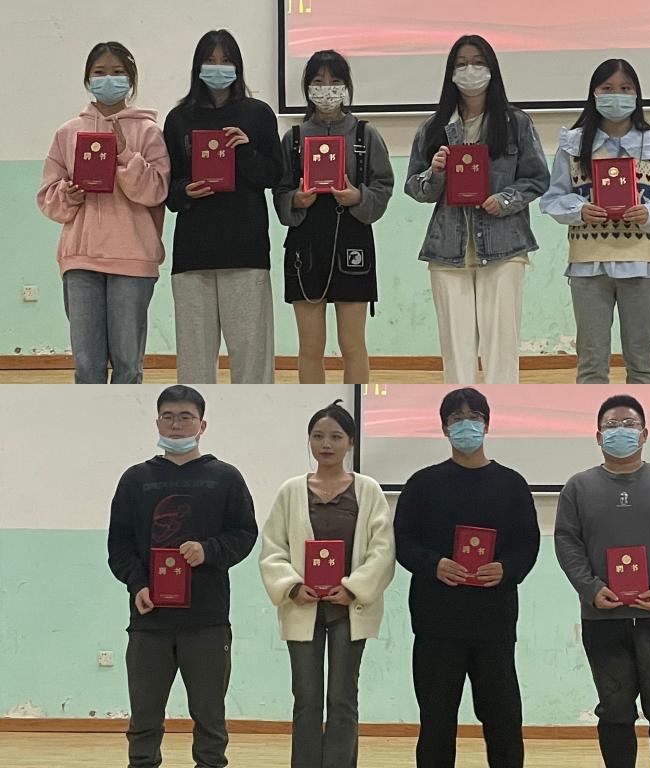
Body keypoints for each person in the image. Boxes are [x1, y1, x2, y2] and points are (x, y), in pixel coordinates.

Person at [107, 385, 258, 768]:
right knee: (144, 719)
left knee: (210, 719)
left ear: (202, 425)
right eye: (169, 417)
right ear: (158, 422)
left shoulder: (226, 478)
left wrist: (209, 550)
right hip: (149, 622)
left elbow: (244, 534)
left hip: (207, 621)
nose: (176, 425)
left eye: (186, 417)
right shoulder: (135, 480)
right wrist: (138, 584)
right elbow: (119, 545)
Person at [394, 387, 540, 767]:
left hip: (494, 623)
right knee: (436, 721)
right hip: (437, 623)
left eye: (474, 418)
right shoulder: (422, 484)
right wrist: (433, 564)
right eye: (456, 419)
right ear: (445, 428)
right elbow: (402, 541)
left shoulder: (512, 484)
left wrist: (507, 569)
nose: (466, 426)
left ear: (487, 425)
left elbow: (528, 543)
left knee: (503, 720)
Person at [554, 394, 650, 768]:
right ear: (598, 436)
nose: (621, 431)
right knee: (615, 712)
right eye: (612, 425)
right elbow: (567, 543)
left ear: (645, 434)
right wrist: (590, 588)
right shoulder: (578, 487)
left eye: (629, 424)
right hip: (602, 618)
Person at [405, 35, 550, 384]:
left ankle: (503, 410)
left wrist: (506, 200)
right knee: (456, 353)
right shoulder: (433, 127)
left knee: (501, 350)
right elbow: (416, 188)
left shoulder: (516, 123)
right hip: (447, 251)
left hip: (504, 247)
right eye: (462, 64)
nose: (470, 70)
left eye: (478, 62)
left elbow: (537, 178)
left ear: (492, 69)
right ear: (451, 73)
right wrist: (435, 171)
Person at [259, 400, 395, 768]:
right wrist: (291, 586)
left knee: (342, 698)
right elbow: (272, 548)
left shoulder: (368, 490)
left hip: (349, 610)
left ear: (351, 442)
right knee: (306, 699)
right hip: (302, 607)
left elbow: (383, 550)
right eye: (318, 436)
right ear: (309, 440)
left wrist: (353, 587)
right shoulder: (291, 490)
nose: (326, 444)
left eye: (336, 436)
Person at [540, 59, 650, 384]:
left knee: (642, 360)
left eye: (625, 88)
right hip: (588, 267)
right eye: (607, 89)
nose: (616, 95)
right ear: (593, 94)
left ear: (636, 94)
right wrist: (579, 210)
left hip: (643, 265)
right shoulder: (573, 145)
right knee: (591, 362)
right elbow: (552, 198)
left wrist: (649, 213)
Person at [37, 41, 169, 384]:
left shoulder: (149, 132)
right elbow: (48, 198)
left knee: (128, 366)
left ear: (131, 80)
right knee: (87, 365)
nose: (108, 79)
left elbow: (156, 191)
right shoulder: (68, 133)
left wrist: (125, 155)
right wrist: (68, 194)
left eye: (117, 72)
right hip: (80, 260)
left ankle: (125, 419)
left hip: (132, 259)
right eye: (99, 72)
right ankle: (90, 419)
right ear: (87, 79)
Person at [164, 29, 284, 384]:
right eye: (210, 60)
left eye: (226, 60)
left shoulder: (258, 114)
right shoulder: (178, 119)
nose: (218, 67)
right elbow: (167, 191)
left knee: (251, 358)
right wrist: (186, 190)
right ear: (197, 67)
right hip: (193, 254)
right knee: (194, 362)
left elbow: (274, 175)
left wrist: (245, 150)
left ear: (238, 66)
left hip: (245, 251)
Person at [273, 50, 395, 384]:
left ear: (347, 86)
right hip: (305, 244)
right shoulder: (293, 138)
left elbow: (384, 185)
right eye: (318, 81)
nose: (327, 88)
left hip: (353, 242)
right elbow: (279, 191)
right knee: (310, 347)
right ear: (307, 88)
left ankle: (356, 404)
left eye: (335, 81)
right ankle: (310, 404)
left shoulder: (365, 135)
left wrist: (359, 197)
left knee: (352, 345)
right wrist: (295, 199)